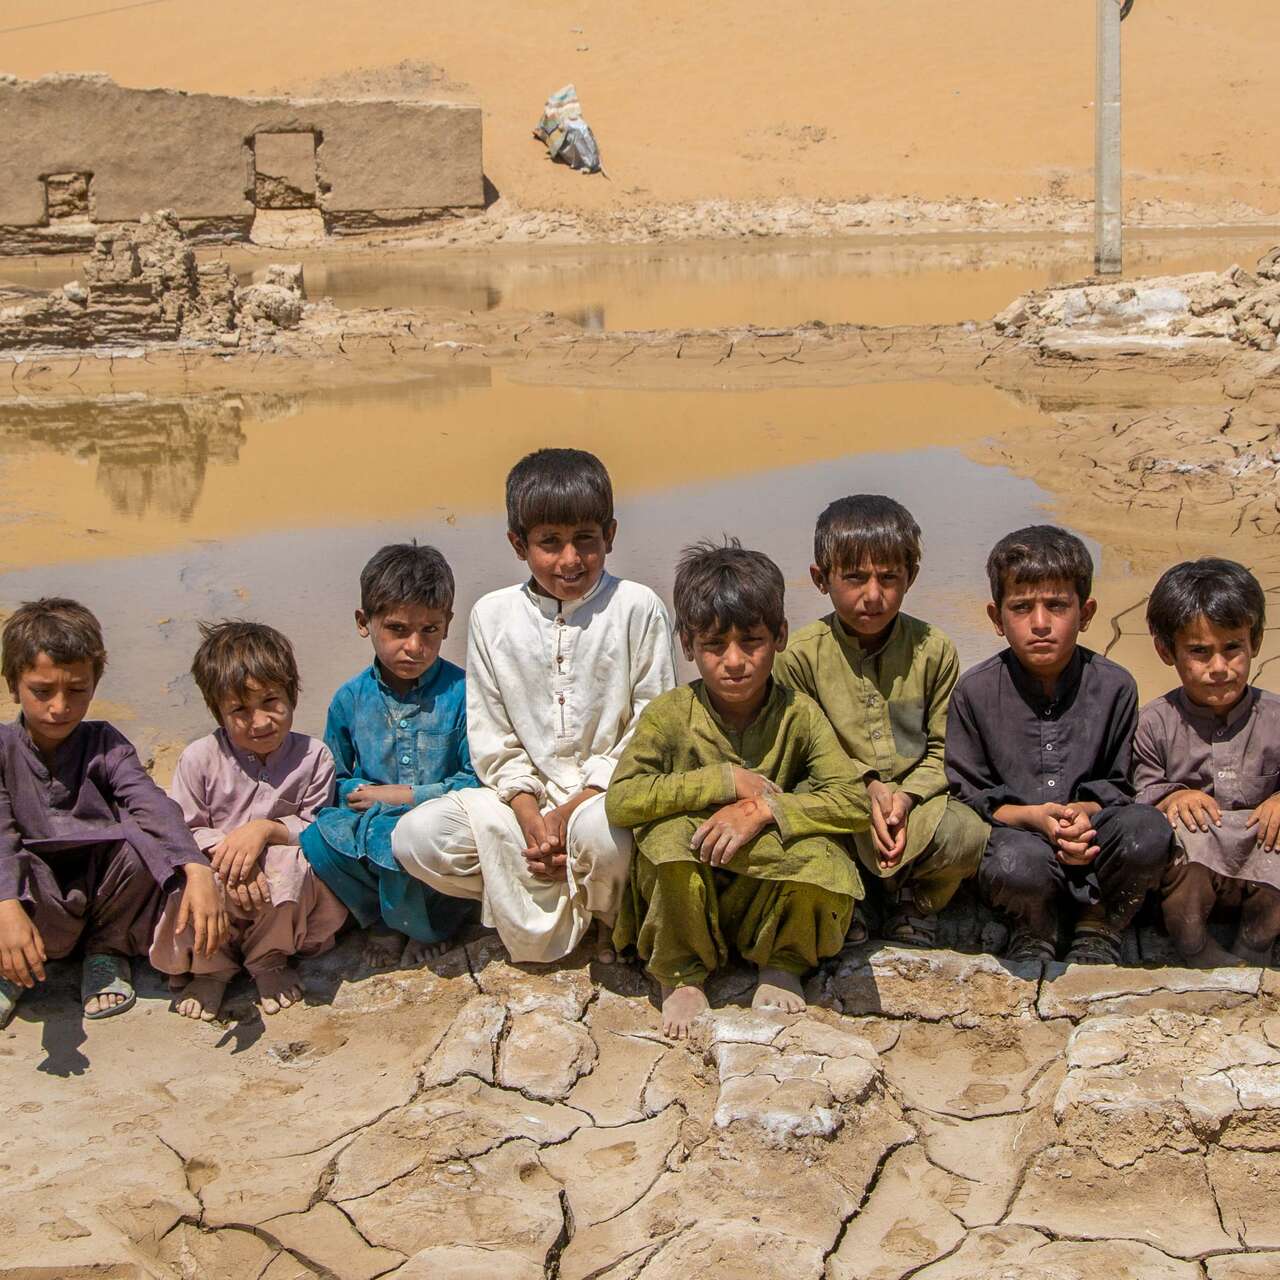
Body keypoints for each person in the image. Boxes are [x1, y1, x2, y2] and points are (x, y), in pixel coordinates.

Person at [393, 448, 676, 963]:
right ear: (518, 544)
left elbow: (651, 728)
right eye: (550, 542)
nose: (570, 559)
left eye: (585, 539)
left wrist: (571, 810)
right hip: (520, 807)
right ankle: (559, 893)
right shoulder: (491, 616)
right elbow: (493, 736)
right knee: (418, 837)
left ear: (610, 535)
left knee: (605, 840)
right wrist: (530, 815)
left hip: (606, 798)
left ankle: (607, 915)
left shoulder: (638, 608)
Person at [608, 539, 868, 1038]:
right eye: (714, 646)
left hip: (764, 883)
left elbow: (853, 802)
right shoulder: (668, 715)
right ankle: (681, 974)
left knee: (824, 858)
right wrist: (721, 780)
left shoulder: (799, 714)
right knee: (665, 841)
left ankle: (784, 961)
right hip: (691, 883)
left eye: (751, 641)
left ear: (780, 636)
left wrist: (764, 810)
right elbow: (622, 799)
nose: (734, 661)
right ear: (687, 645)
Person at [945, 527, 1172, 964]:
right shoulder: (974, 692)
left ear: (1085, 613)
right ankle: (1035, 925)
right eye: (1021, 607)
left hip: (1095, 836)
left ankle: (1099, 923)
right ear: (996, 618)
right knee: (1014, 862)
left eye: (1057, 606)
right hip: (1020, 839)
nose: (1040, 624)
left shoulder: (1116, 687)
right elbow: (970, 797)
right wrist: (1035, 817)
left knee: (1148, 831)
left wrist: (1081, 817)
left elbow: (1120, 786)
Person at [0, 598, 224, 1027]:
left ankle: (106, 950)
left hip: (101, 893)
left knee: (144, 841)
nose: (59, 707)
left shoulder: (105, 742)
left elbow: (151, 803)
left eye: (76, 690)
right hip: (29, 893)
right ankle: (9, 965)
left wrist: (197, 868)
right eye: (42, 691)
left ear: (95, 683)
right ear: (13, 686)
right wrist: (6, 906)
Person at [774, 495, 987, 946]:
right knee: (801, 827)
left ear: (911, 577)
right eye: (854, 578)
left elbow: (943, 748)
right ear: (820, 579)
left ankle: (916, 902)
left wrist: (905, 798)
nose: (873, 595)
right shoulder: (799, 658)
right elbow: (809, 755)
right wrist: (867, 788)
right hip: (839, 800)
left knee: (967, 835)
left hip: (918, 803)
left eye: (889, 577)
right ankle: (854, 897)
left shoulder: (934, 650)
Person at [150, 621, 348, 1020]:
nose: (259, 722)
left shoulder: (314, 757)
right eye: (240, 710)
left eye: (271, 701)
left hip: (279, 896)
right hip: (218, 875)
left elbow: (315, 825)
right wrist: (231, 857)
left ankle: (269, 958)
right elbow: (184, 829)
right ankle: (210, 968)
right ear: (218, 712)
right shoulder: (199, 758)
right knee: (190, 881)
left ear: (292, 695)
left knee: (293, 864)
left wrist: (265, 831)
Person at [301, 544, 478, 969]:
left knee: (408, 841)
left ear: (448, 624)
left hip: (438, 824)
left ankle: (427, 929)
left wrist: (409, 796)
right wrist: (363, 794)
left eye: (430, 630)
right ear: (364, 622)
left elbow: (477, 777)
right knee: (316, 840)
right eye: (397, 629)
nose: (414, 646)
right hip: (371, 821)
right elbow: (332, 775)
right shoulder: (350, 699)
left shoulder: (465, 695)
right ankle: (382, 920)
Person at [1134, 558, 1280, 967]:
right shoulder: (1153, 723)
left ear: (1255, 642)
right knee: (1185, 833)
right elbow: (1140, 789)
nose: (1219, 668)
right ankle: (1195, 947)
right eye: (1199, 651)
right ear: (1166, 651)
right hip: (1194, 866)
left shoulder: (1276, 717)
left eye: (1232, 648)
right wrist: (1172, 797)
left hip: (1262, 860)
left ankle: (1256, 941)